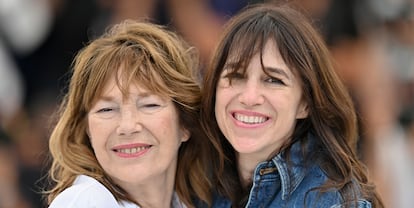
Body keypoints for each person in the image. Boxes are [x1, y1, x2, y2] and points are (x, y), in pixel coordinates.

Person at [200, 3, 384, 208]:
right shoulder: (194, 188)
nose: (250, 97)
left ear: (305, 103)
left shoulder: (334, 203)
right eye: (236, 76)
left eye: (273, 80)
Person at [44, 20, 211, 207]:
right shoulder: (86, 201)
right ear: (87, 129)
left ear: (184, 123)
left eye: (149, 105)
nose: (127, 126)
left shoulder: (191, 202)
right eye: (106, 109)